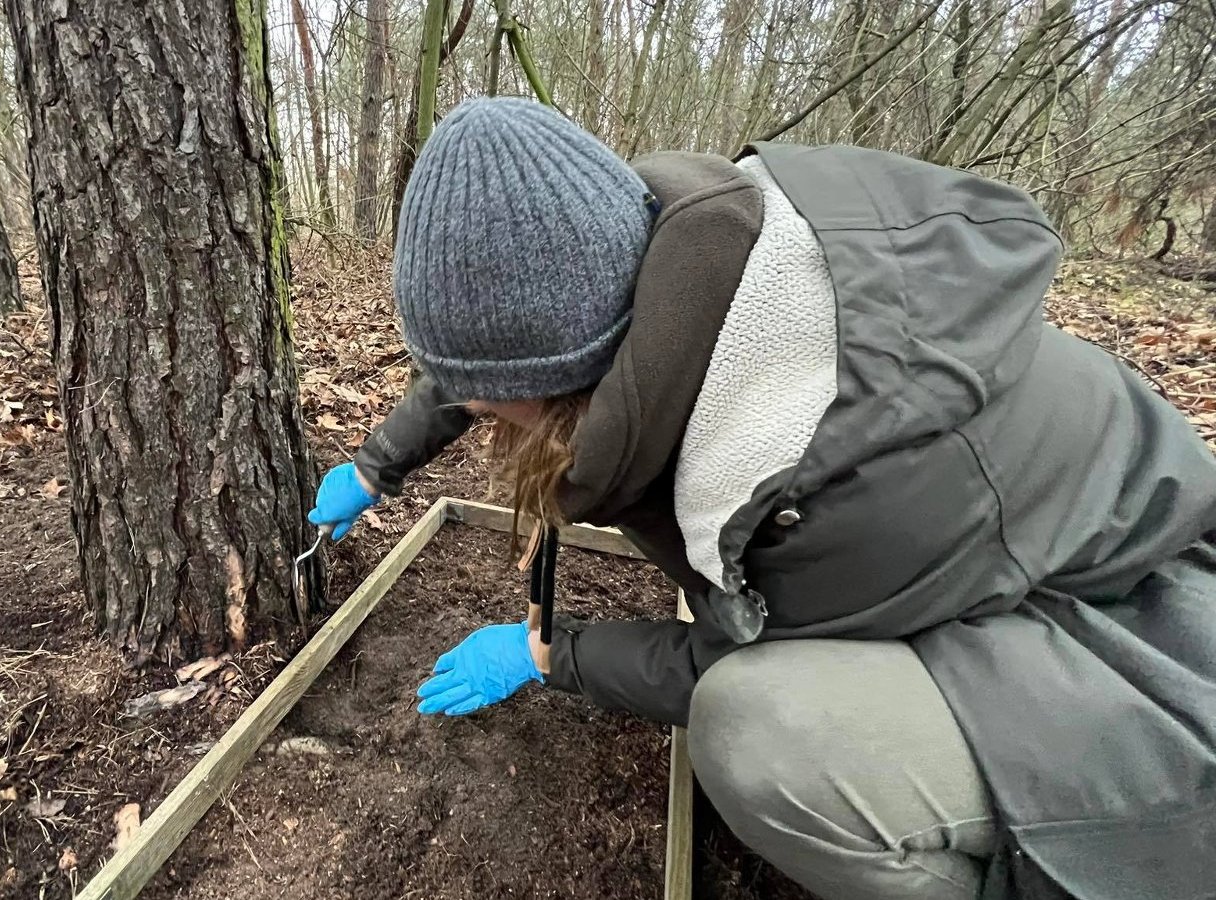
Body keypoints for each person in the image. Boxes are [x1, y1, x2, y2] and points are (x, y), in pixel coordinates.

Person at [306, 98, 1216, 900]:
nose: (467, 409)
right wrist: (379, 464)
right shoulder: (671, 245)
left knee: (758, 733)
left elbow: (722, 653)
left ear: (567, 379)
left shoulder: (797, 469)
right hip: (1051, 511)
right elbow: (498, 350)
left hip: (1127, 638)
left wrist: (553, 655)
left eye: (480, 401)